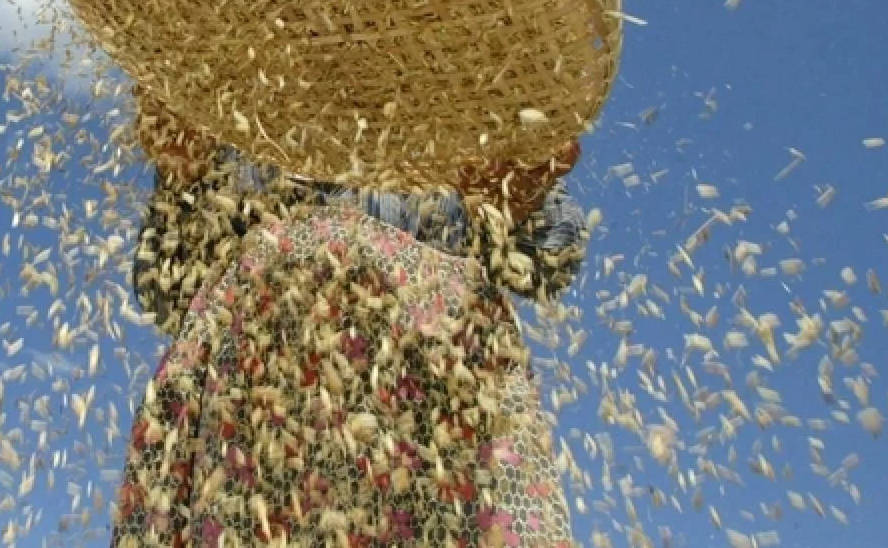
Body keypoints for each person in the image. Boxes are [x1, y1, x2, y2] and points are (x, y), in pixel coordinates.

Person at [113, 94, 588, 547]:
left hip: (440, 394)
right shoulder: (239, 110)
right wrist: (184, 176)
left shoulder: (467, 109)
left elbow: (547, 265)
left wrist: (516, 198)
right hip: (260, 400)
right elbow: (168, 289)